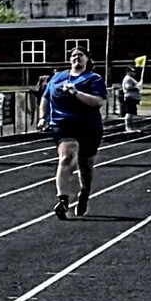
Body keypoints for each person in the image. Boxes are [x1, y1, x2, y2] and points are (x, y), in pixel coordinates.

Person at [37, 46, 107, 219]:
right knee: (67, 157)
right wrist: (42, 117)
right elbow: (46, 97)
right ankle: (63, 200)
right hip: (63, 124)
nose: (77, 58)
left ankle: (84, 193)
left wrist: (76, 93)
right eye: (74, 55)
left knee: (86, 164)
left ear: (87, 59)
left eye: (80, 55)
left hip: (88, 126)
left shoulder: (93, 79)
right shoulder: (58, 77)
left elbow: (98, 102)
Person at [120, 65, 142, 133]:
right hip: (130, 97)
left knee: (132, 113)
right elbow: (128, 87)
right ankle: (128, 128)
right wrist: (137, 86)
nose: (134, 73)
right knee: (129, 113)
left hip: (132, 98)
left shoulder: (130, 78)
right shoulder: (128, 79)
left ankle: (131, 127)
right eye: (132, 71)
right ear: (128, 72)